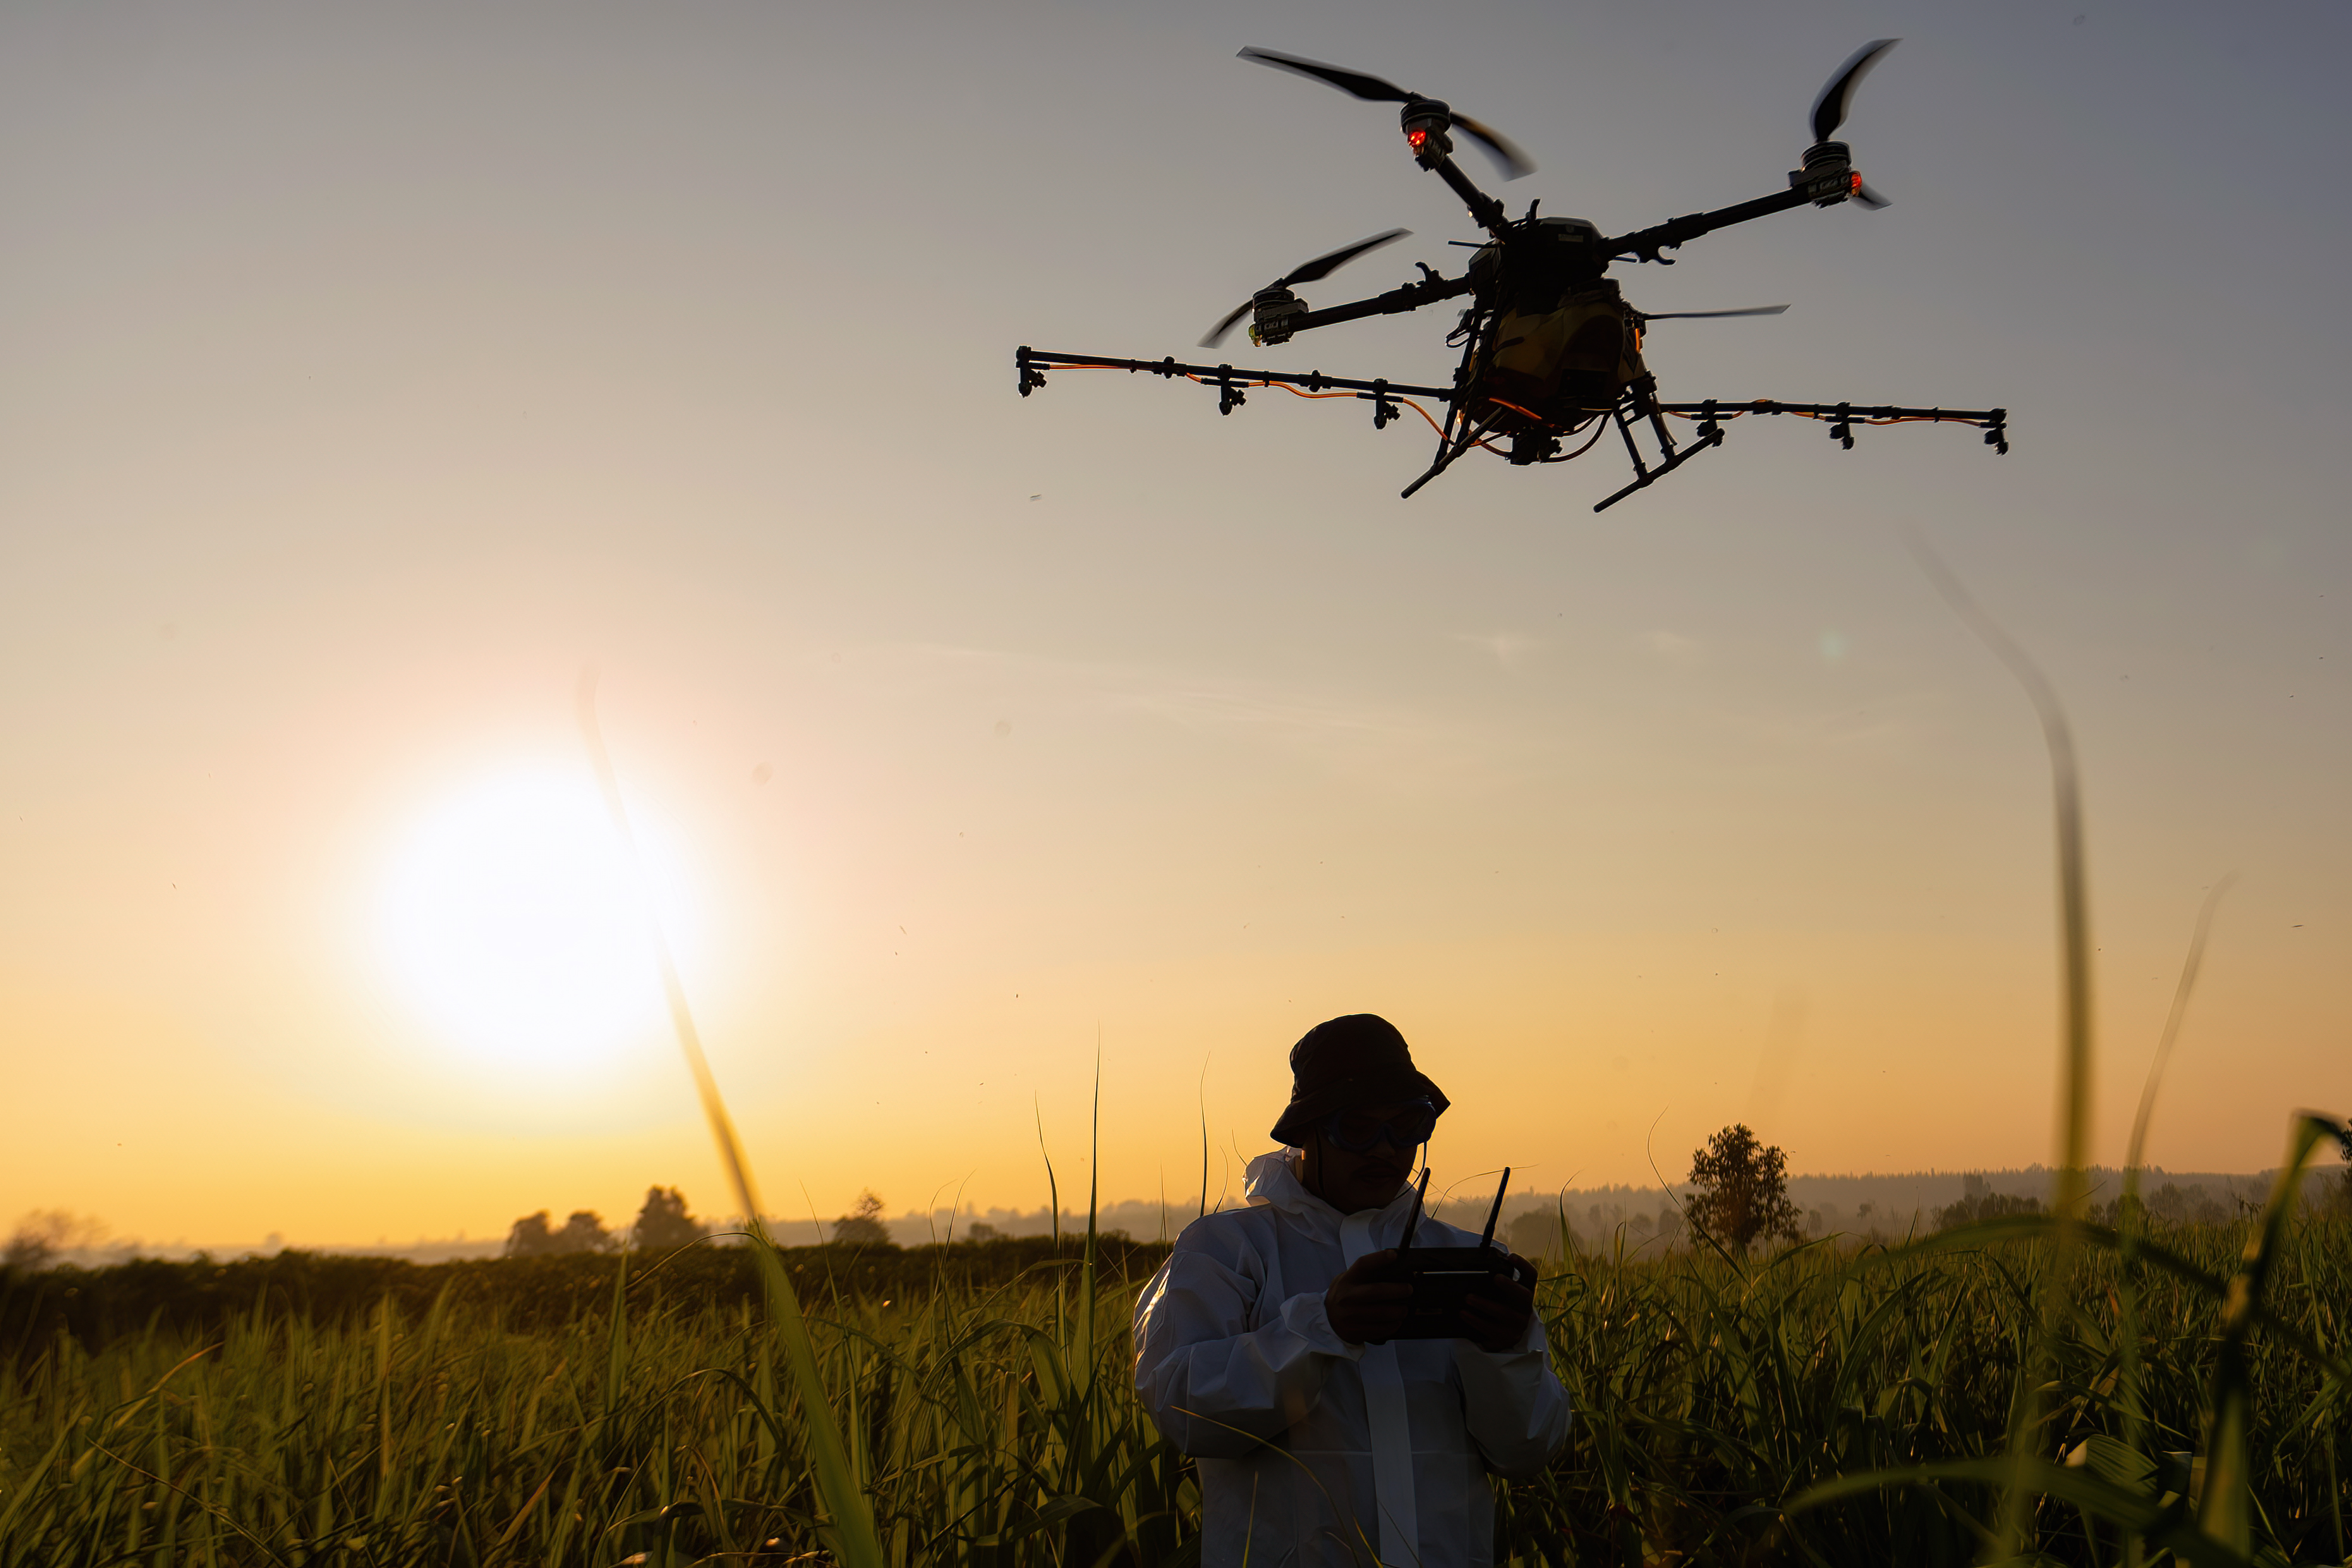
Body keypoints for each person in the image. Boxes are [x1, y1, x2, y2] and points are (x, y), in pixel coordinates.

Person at [1134, 1014, 1570, 1567]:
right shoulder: (1223, 1251)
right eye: (1359, 1128)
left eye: (1408, 1126)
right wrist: (1321, 1328)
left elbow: (1528, 1450)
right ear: (1307, 1132)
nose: (1386, 1150)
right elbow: (1182, 1408)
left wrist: (1508, 1352)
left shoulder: (1468, 1263)